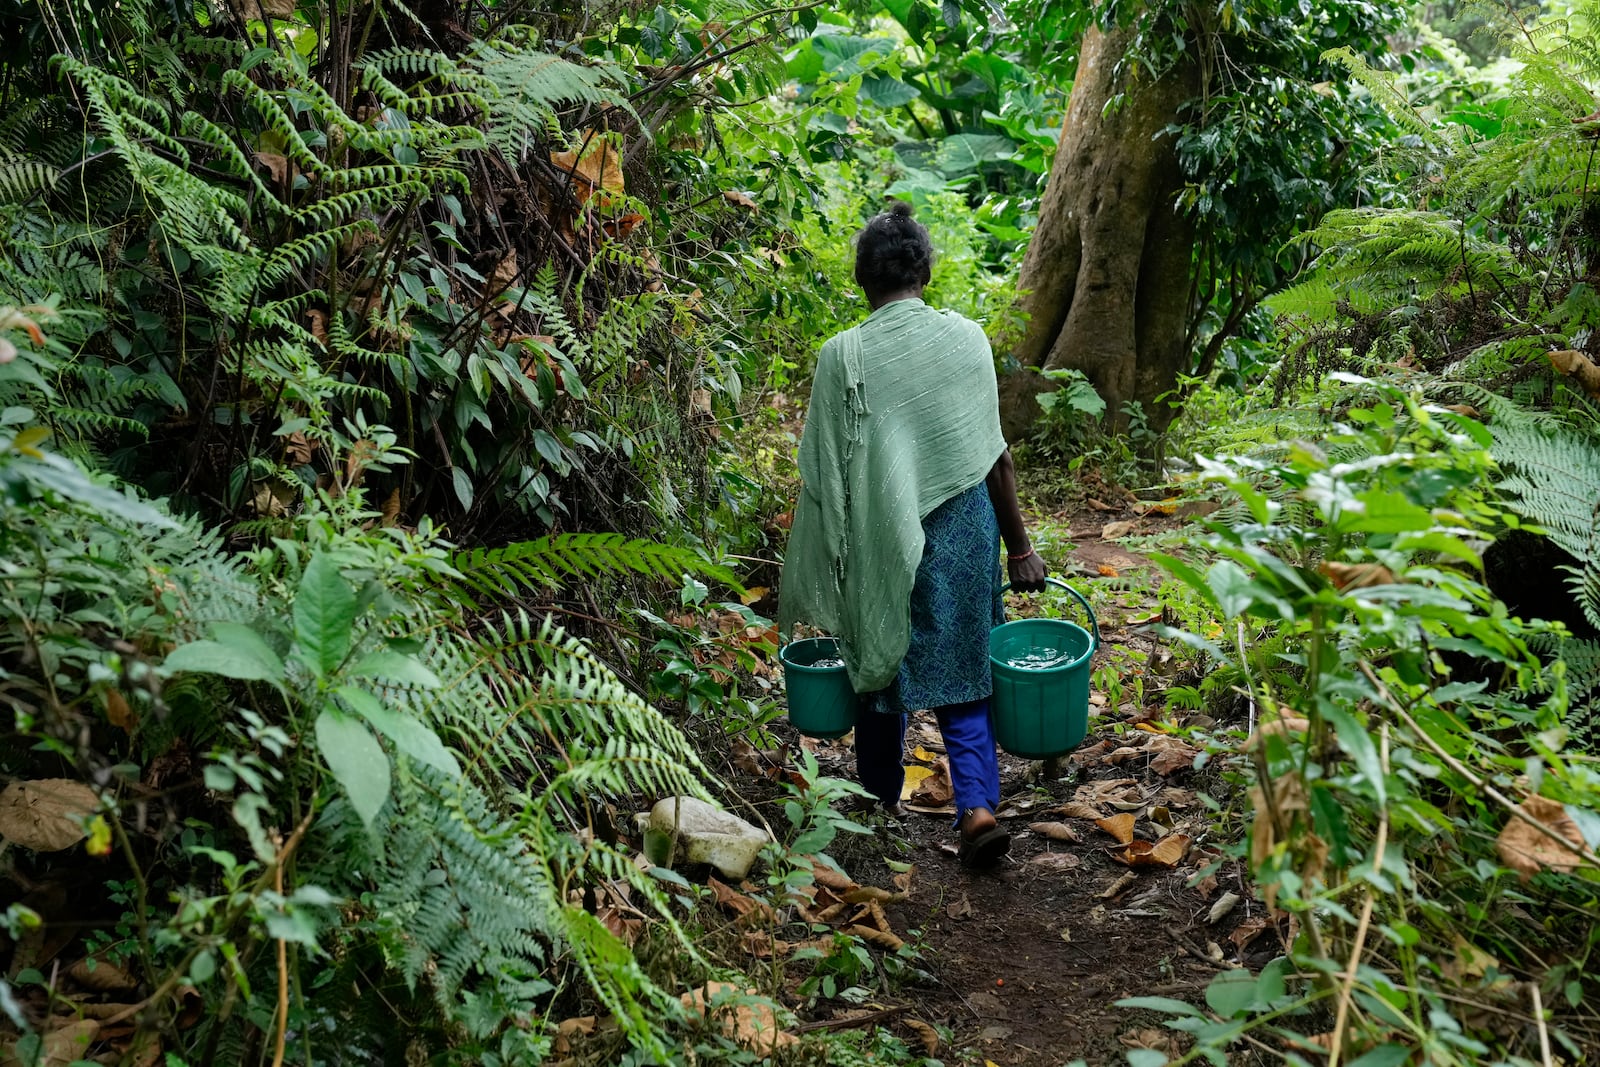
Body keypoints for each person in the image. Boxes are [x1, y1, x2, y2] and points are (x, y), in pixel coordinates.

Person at [779, 200, 1048, 868]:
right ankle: (978, 807)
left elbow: (823, 473)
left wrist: (833, 554)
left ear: (862, 280)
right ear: (924, 272)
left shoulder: (842, 355)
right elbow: (996, 456)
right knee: (966, 667)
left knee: (881, 660)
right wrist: (1020, 547)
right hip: (964, 531)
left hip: (879, 530)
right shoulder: (967, 339)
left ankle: (877, 803)